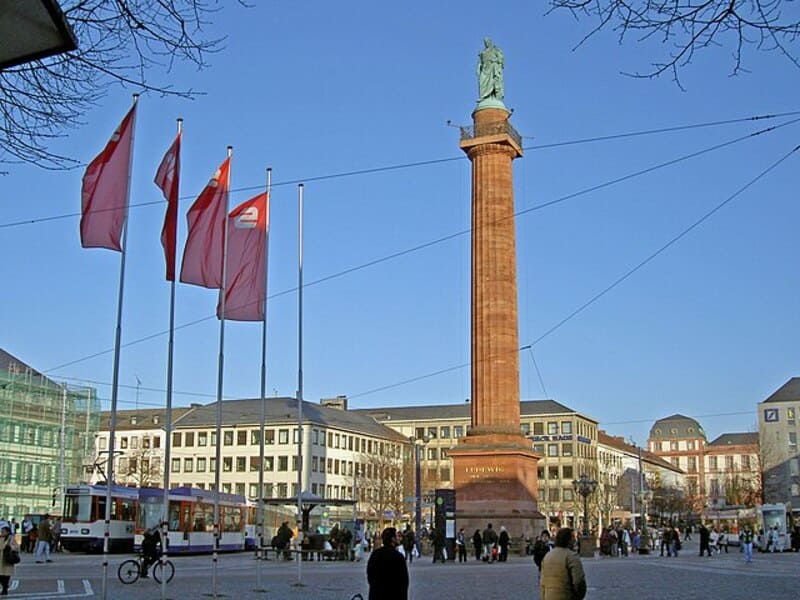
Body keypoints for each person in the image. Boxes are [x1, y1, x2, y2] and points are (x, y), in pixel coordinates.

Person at [540, 527, 587, 600]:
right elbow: (578, 581)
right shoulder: (571, 556)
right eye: (572, 537)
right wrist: (579, 596)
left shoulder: (547, 556)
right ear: (569, 540)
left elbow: (543, 583)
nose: (574, 540)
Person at [366, 527, 408, 600]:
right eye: (397, 536)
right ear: (392, 539)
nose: (399, 538)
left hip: (377, 595)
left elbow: (370, 575)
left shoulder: (375, 554)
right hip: (394, 595)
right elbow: (403, 582)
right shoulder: (398, 557)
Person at [477, 37, 504, 102]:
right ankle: (483, 97)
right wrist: (478, 69)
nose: (486, 43)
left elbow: (501, 59)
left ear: (490, 42)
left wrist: (498, 66)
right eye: (485, 42)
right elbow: (480, 62)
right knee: (482, 82)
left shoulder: (495, 49)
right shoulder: (482, 52)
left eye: (487, 41)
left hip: (492, 67)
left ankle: (494, 96)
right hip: (484, 69)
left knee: (493, 81)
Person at [1, 525, 20, 596]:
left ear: (8, 532)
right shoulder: (1, 538)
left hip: (8, 559)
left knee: (6, 575)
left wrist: (11, 547)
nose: (2, 533)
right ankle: (5, 586)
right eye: (1, 531)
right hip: (1, 560)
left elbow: (17, 547)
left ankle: (5, 589)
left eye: (3, 531)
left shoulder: (11, 538)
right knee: (1, 575)